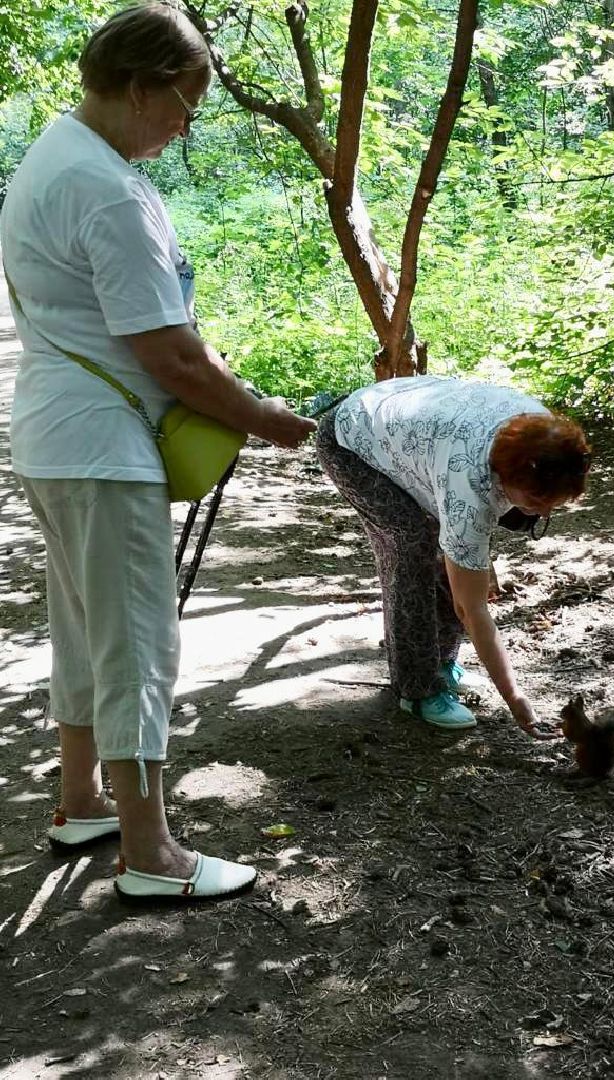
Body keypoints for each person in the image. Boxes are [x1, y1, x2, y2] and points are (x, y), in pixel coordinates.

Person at [0, 3, 315, 902]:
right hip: (101, 447)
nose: (185, 128)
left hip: (57, 438)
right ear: (141, 87)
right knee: (137, 639)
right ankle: (152, 854)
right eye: (185, 103)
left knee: (84, 629)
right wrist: (263, 418)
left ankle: (81, 800)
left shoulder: (53, 158)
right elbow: (169, 353)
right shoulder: (104, 188)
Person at [316, 376, 590, 736]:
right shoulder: (471, 485)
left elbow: (465, 548)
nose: (542, 514)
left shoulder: (548, 442)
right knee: (412, 543)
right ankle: (416, 690)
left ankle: (442, 664)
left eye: (552, 505)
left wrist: (475, 556)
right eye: (536, 503)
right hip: (351, 440)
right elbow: (472, 608)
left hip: (409, 433)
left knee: (455, 552)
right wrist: (516, 699)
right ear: (501, 476)